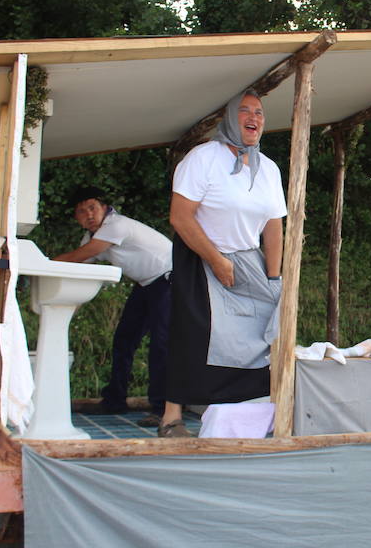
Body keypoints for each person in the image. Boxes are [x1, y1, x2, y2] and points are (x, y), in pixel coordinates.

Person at [164, 89, 286, 438]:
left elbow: (274, 226)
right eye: (245, 111)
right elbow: (180, 217)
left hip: (249, 259)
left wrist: (274, 277)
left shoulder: (269, 169)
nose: (253, 118)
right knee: (196, 333)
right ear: (230, 119)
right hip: (200, 254)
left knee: (261, 331)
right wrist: (215, 260)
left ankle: (244, 412)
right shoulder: (203, 158)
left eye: (259, 112)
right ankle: (171, 418)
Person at [54, 187, 174, 427]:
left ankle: (162, 409)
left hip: (170, 278)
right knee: (124, 339)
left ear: (104, 208)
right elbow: (79, 271)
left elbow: (84, 254)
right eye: (81, 211)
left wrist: (45, 263)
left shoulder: (116, 225)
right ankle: (115, 400)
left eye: (92, 208)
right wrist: (66, 312)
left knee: (161, 344)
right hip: (147, 284)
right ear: (76, 218)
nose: (88, 214)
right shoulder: (92, 238)